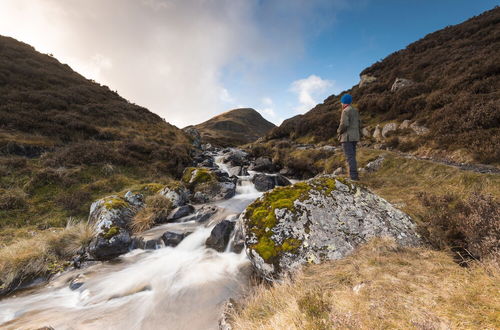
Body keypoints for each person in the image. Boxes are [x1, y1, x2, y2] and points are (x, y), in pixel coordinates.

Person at [337, 94, 360, 181]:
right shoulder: (355, 110)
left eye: (341, 102)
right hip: (355, 137)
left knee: (349, 157)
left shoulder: (345, 111)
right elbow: (359, 123)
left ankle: (353, 177)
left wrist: (339, 131)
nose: (341, 104)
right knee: (352, 156)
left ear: (344, 102)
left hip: (347, 137)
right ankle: (354, 175)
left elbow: (344, 124)